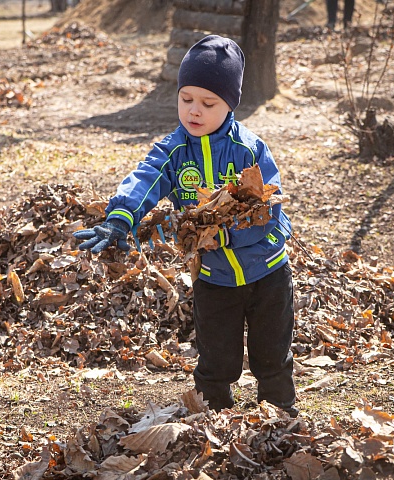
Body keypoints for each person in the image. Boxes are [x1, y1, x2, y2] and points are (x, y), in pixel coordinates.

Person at [73, 35, 298, 417]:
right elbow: (143, 179)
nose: (194, 110)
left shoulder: (250, 151)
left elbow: (267, 211)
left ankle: (279, 420)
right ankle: (214, 420)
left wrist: (226, 233)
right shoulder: (174, 151)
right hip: (213, 275)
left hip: (267, 271)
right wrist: (119, 219)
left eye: (208, 103)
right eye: (186, 98)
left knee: (272, 357)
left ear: (229, 104)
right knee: (215, 362)